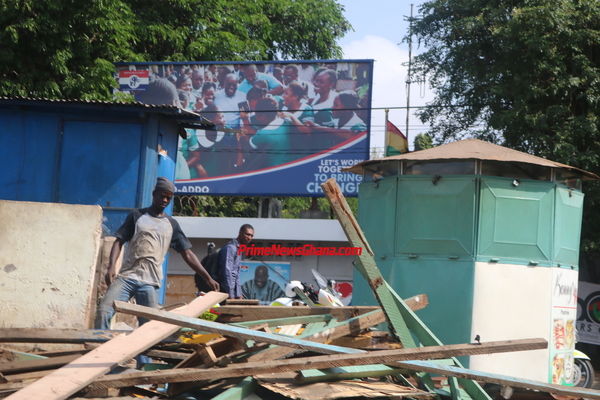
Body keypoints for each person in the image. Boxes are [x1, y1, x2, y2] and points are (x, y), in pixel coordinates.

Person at [95, 177, 219, 334]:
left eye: (169, 197)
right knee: (104, 311)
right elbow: (119, 242)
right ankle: (98, 348)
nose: (165, 200)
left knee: (149, 328)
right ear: (154, 194)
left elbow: (187, 253)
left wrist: (207, 277)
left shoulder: (171, 224)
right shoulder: (136, 216)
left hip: (150, 282)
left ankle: (145, 359)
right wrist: (111, 267)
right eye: (162, 196)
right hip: (127, 277)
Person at [219, 224, 255, 299]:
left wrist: (239, 294)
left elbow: (236, 274)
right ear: (240, 233)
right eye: (247, 234)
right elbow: (227, 273)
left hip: (234, 293)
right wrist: (231, 294)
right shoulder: (231, 248)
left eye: (251, 236)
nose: (249, 238)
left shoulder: (239, 249)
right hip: (224, 292)